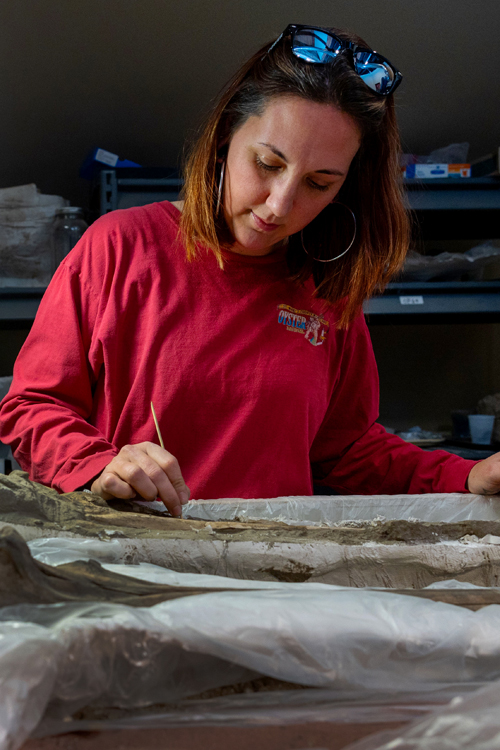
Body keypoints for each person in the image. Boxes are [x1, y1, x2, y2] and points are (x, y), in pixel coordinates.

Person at [1, 24, 499, 516]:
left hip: (268, 571)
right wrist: (100, 465)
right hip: (133, 562)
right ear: (224, 139)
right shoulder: (119, 246)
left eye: (319, 183)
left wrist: (465, 474)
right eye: (267, 163)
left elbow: (347, 451)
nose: (280, 206)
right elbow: (30, 408)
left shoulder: (327, 290)